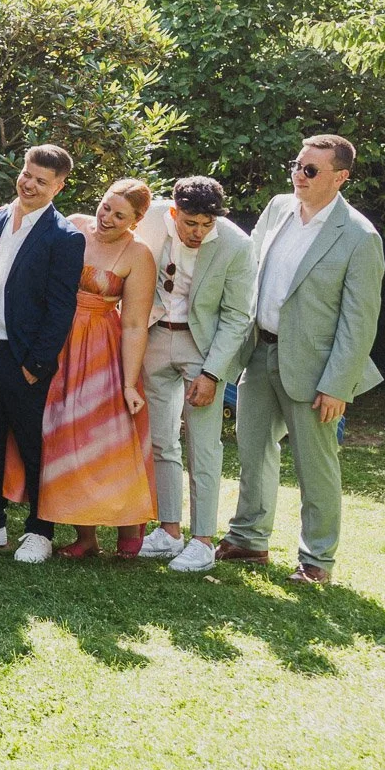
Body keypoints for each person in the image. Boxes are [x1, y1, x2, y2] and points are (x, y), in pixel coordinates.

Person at [220, 134, 384, 585]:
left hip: (317, 371)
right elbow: (248, 273)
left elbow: (359, 321)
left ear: (340, 177)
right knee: (253, 452)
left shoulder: (360, 236)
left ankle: (317, 561)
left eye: (311, 170)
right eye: (296, 165)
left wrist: (338, 385)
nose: (299, 175)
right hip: (259, 351)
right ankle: (249, 539)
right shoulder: (278, 208)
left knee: (317, 469)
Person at [0, 144, 86, 564]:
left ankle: (40, 530)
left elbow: (61, 308)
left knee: (34, 447)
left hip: (23, 359)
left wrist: (36, 365)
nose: (29, 184)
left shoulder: (65, 237)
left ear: (59, 187)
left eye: (41, 181)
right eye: (27, 174)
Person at [23, 179, 157, 558]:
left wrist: (128, 383)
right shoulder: (76, 226)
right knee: (64, 434)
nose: (107, 217)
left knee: (107, 438)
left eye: (119, 215)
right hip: (58, 339)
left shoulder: (138, 254)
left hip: (100, 348)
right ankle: (85, 536)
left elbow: (135, 324)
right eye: (105, 206)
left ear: (136, 220)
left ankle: (129, 526)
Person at [135, 177, 254, 574]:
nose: (198, 232)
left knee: (203, 445)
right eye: (190, 223)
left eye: (207, 224)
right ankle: (169, 531)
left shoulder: (237, 245)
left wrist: (213, 373)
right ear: (174, 212)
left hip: (202, 347)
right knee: (161, 439)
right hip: (155, 337)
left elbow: (237, 317)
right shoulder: (152, 219)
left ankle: (202, 540)